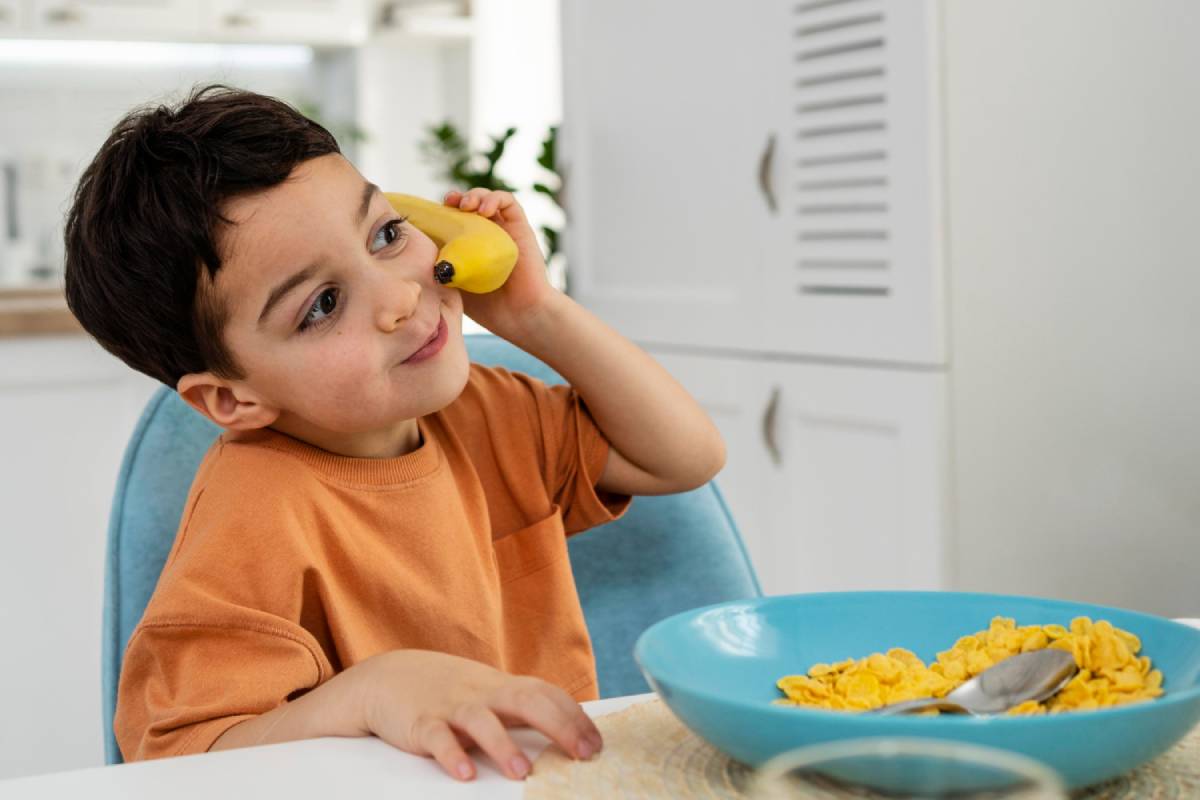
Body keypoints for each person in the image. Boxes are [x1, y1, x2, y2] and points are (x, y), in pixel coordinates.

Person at [63, 83, 725, 782]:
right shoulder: (252, 515)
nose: (401, 296)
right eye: (321, 305)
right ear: (232, 399)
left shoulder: (493, 413)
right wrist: (368, 691)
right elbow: (175, 762)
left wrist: (537, 315)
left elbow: (686, 456)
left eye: (384, 233)